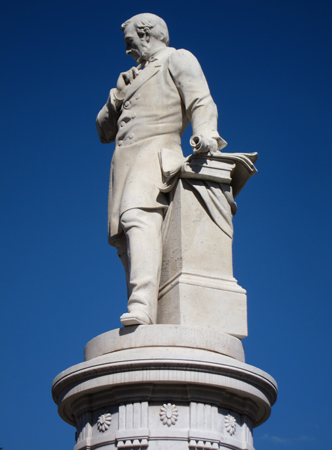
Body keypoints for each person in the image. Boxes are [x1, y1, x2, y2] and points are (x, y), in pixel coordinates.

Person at [96, 13, 227, 326]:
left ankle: (142, 306)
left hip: (155, 154)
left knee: (136, 218)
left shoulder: (177, 59)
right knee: (125, 239)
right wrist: (116, 97)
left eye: (130, 42)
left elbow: (201, 101)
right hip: (123, 164)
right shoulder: (128, 79)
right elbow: (103, 132)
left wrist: (206, 133)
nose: (127, 51)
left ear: (146, 34)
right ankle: (146, 306)